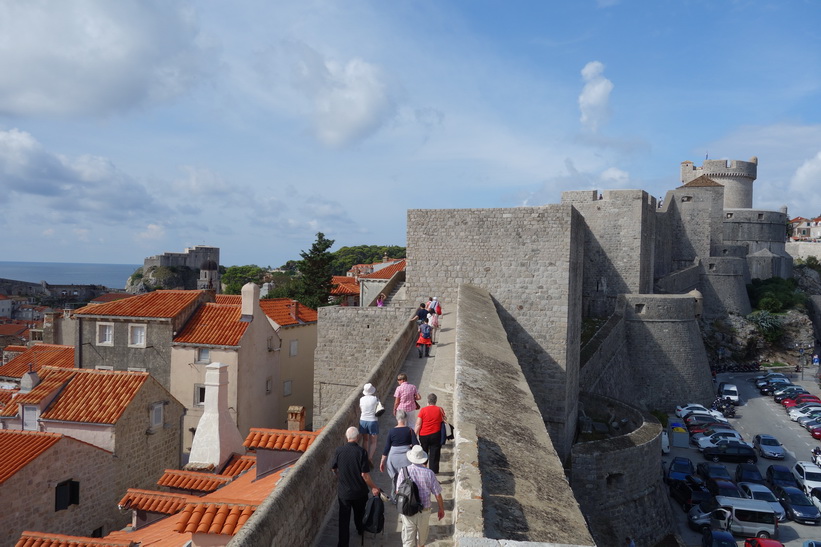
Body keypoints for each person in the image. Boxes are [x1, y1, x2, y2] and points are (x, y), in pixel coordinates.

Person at [331, 427, 381, 547]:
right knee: (359, 515)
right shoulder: (361, 452)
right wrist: (374, 487)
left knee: (344, 520)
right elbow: (365, 475)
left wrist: (340, 476)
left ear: (346, 437)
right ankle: (360, 529)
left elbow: (334, 468)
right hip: (359, 492)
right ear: (358, 437)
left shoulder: (339, 450)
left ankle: (343, 544)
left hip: (344, 493)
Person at [399, 445, 445, 547]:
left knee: (408, 542)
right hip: (424, 510)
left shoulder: (404, 471)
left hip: (408, 510)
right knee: (422, 541)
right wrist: (441, 508)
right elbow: (437, 494)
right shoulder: (429, 473)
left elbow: (398, 491)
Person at [379, 409, 417, 495]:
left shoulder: (391, 431)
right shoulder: (410, 430)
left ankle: (395, 496)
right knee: (406, 478)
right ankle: (407, 494)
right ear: (405, 418)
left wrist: (382, 461)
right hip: (406, 458)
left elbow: (387, 448)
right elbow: (416, 445)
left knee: (395, 478)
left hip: (393, 458)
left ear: (397, 418)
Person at [415, 393, 445, 474]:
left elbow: (418, 424)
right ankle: (432, 474)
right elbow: (444, 420)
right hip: (436, 435)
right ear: (436, 401)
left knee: (424, 453)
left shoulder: (423, 410)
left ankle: (424, 471)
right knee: (434, 455)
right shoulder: (440, 409)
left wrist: (414, 435)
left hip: (424, 435)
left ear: (428, 401)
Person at [359, 383, 379, 462]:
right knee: (373, 442)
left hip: (363, 420)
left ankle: (365, 456)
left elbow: (361, 409)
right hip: (373, 421)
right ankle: (370, 458)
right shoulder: (375, 398)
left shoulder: (361, 399)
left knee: (365, 440)